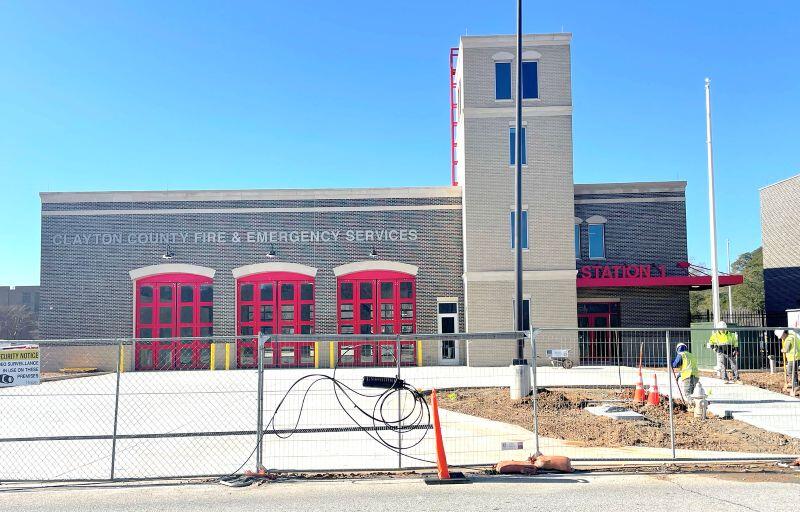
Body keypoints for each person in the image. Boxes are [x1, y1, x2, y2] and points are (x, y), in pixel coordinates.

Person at [671, 343, 699, 408]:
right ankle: (693, 404)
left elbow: (675, 364)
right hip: (696, 375)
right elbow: (688, 366)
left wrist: (671, 362)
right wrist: (679, 375)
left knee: (687, 393)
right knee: (692, 392)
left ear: (678, 349)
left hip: (687, 376)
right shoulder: (691, 355)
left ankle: (693, 406)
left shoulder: (681, 354)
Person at [776, 329, 800, 395]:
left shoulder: (788, 339)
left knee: (790, 372)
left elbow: (786, 349)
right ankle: (794, 384)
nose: (781, 338)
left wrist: (782, 350)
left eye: (781, 336)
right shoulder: (793, 336)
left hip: (793, 358)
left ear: (784, 333)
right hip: (797, 356)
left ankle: (796, 386)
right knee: (794, 372)